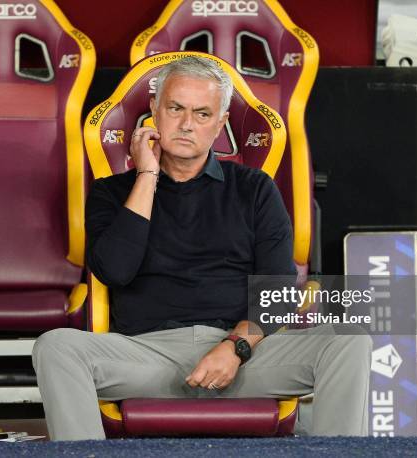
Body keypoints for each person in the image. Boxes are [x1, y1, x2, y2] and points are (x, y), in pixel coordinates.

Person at [32, 56, 371, 441]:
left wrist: (235, 348)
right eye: (175, 108)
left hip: (244, 358)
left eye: (202, 113)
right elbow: (114, 271)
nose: (187, 124)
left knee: (349, 341)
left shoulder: (255, 188)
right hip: (145, 355)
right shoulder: (112, 192)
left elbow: (277, 296)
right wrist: (146, 175)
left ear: (220, 122)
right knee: (55, 346)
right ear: (154, 112)